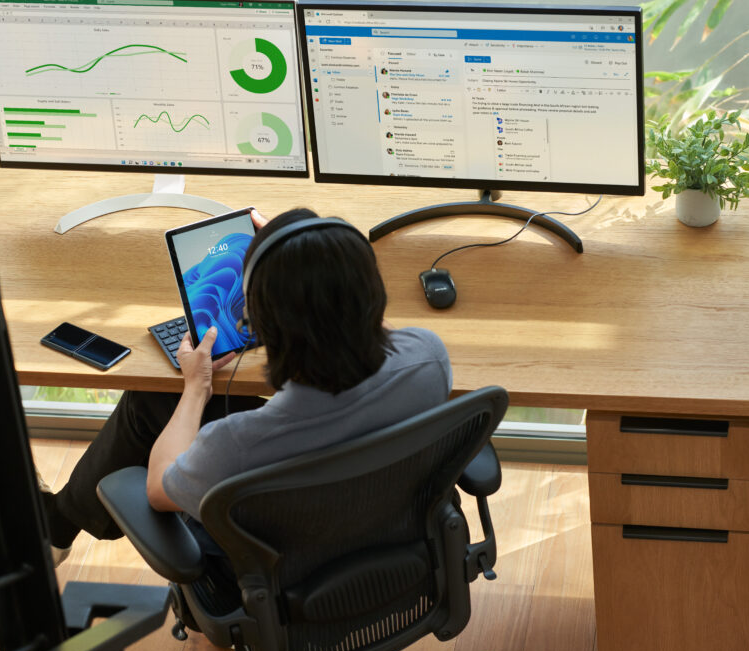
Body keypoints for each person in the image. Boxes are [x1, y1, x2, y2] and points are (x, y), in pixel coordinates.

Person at [40, 208, 453, 569]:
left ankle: (58, 524)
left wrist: (197, 386)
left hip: (288, 569)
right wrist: (311, 255)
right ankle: (59, 520)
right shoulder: (429, 359)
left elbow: (158, 487)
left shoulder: (235, 444)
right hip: (385, 538)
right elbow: (370, 326)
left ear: (256, 328)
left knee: (151, 400)